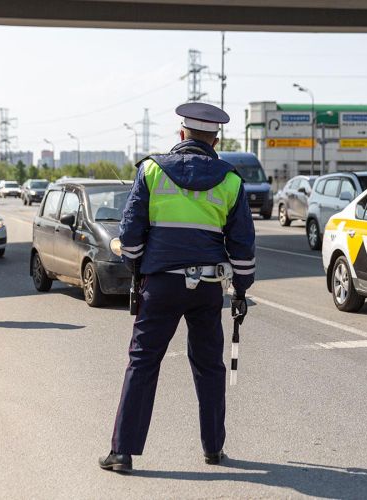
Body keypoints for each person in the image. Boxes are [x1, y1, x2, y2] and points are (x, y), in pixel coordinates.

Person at [100, 103, 256, 473]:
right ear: (215, 138)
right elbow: (243, 247)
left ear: (182, 134)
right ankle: (214, 449)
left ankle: (122, 453)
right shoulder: (231, 181)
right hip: (206, 288)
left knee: (142, 362)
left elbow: (131, 235)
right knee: (209, 367)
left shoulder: (152, 171)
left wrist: (138, 268)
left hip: (161, 286)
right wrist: (240, 290)